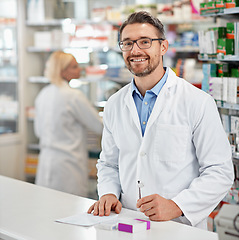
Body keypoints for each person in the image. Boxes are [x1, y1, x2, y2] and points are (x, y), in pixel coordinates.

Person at [87, 11, 234, 229]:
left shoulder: (197, 102)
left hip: (179, 226)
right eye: (127, 43)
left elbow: (220, 171)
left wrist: (177, 205)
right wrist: (108, 193)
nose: (135, 50)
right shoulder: (115, 104)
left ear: (163, 47)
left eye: (145, 42)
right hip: (127, 223)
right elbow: (109, 163)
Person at [34, 51, 103, 197]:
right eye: (74, 67)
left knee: (46, 209)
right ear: (63, 71)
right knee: (69, 212)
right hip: (68, 165)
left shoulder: (43, 94)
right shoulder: (73, 95)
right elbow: (99, 126)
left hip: (46, 161)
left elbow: (38, 131)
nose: (80, 70)